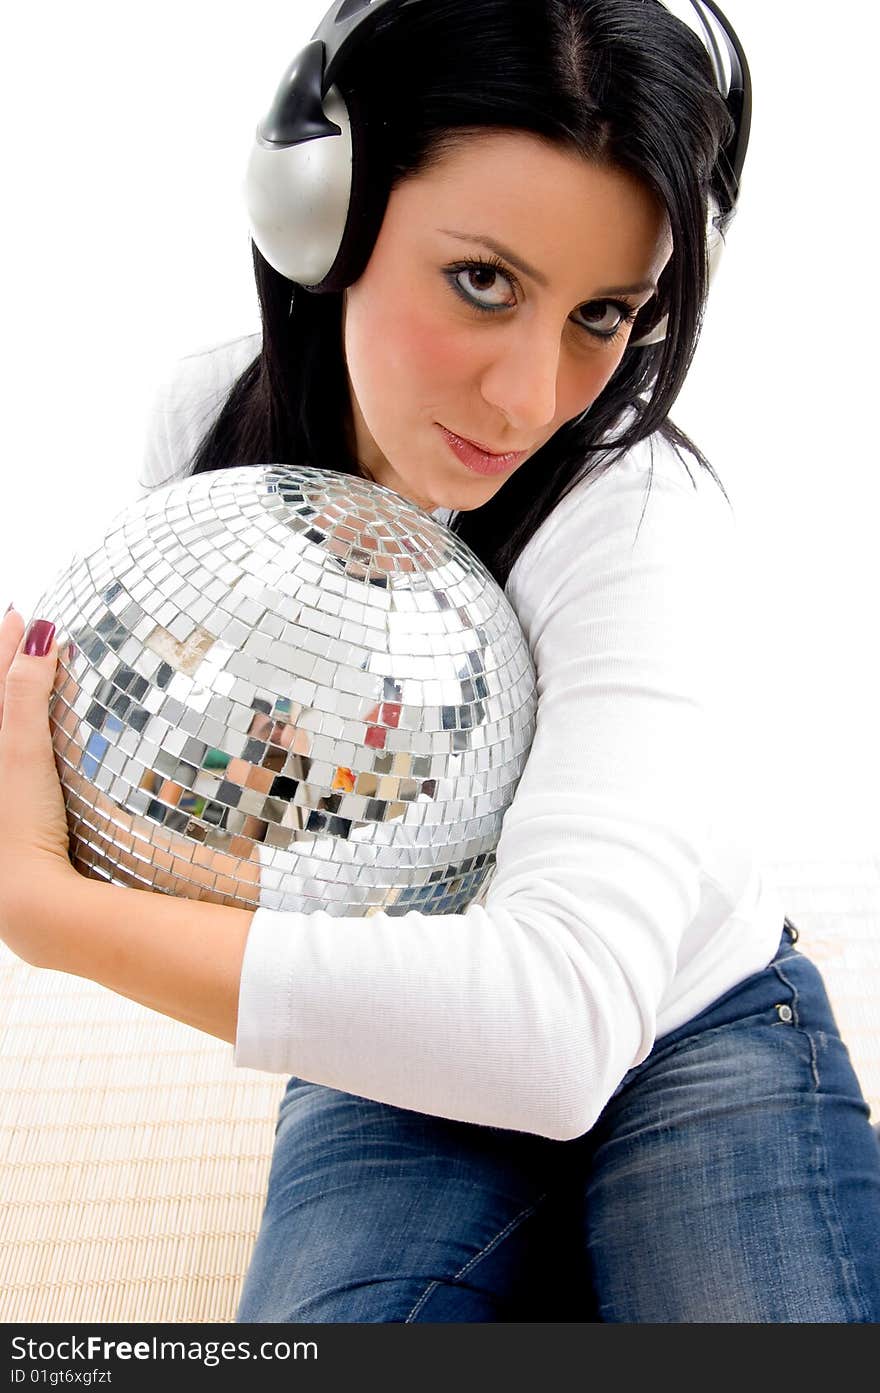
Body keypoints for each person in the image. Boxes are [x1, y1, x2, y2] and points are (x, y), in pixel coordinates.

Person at [1, 0, 879, 1323]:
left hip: (694, 1029)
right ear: (321, 214)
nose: (533, 395)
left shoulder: (638, 515)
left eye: (604, 313)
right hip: (399, 1049)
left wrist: (53, 912)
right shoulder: (208, 435)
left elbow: (561, 1029)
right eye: (483, 281)